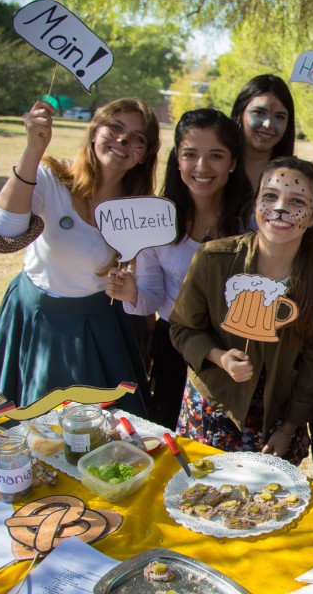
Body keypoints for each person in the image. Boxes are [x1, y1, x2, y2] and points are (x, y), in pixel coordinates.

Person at [0, 98, 160, 413]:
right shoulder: (50, 177)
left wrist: (136, 301)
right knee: (29, 427)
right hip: (36, 320)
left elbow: (149, 284)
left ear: (145, 155)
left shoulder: (140, 209)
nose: (123, 141)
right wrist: (33, 150)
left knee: (101, 435)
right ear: (94, 131)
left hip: (100, 328)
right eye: (115, 127)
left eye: (138, 138)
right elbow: (3, 232)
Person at [169, 157, 313, 462]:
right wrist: (219, 357)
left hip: (276, 417)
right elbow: (182, 328)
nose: (279, 208)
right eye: (270, 196)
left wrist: (289, 427)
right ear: (255, 204)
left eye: (296, 201)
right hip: (214, 405)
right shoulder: (213, 260)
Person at [105, 109, 252, 429]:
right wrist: (132, 293)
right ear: (177, 160)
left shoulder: (252, 220)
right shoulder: (155, 221)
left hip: (238, 350)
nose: (202, 167)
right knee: (172, 437)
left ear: (233, 162)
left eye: (216, 155)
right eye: (190, 154)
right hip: (174, 346)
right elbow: (151, 298)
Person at [230, 75, 313, 192]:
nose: (268, 124)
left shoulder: (301, 176)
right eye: (259, 112)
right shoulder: (218, 170)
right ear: (239, 114)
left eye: (279, 116)